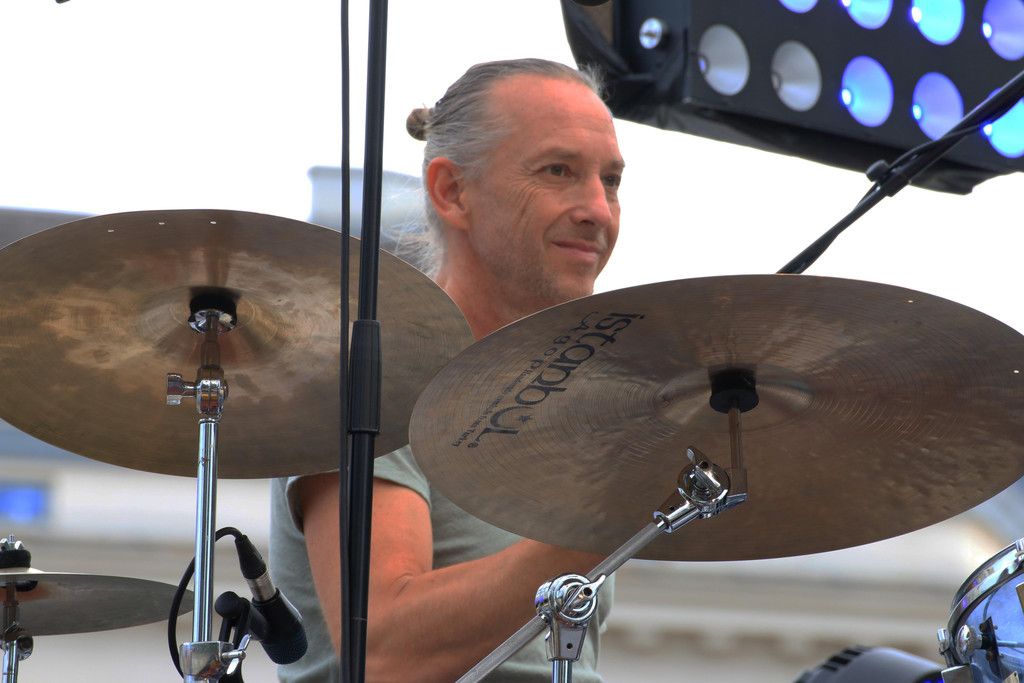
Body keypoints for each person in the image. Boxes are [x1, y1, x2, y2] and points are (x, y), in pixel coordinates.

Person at [270, 57, 625, 682]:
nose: (598, 209)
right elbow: (384, 649)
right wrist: (624, 505)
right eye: (558, 171)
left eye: (612, 181)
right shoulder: (371, 376)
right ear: (452, 191)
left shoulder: (578, 408)